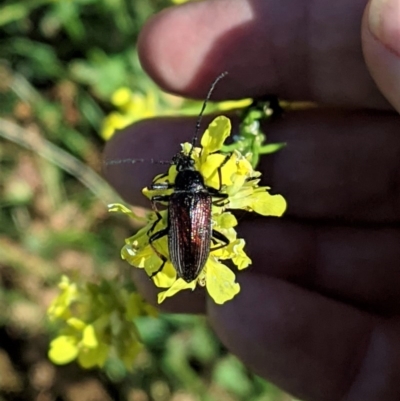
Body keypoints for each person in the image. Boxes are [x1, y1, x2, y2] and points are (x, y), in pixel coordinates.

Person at [104, 1, 400, 400]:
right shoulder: (199, 199)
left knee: (168, 229)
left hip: (183, 248)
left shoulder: (178, 200)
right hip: (193, 245)